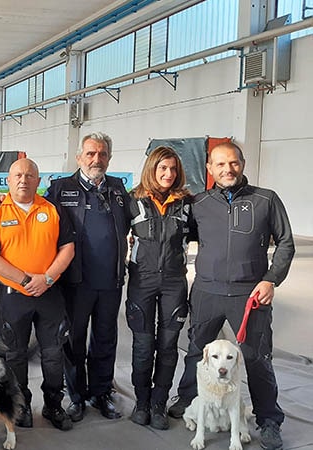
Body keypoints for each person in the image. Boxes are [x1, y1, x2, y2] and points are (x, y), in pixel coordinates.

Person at [167, 143, 294, 450]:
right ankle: (189, 398)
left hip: (249, 294)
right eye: (220, 164)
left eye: (233, 163)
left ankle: (268, 421)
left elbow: (287, 243)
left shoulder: (266, 199)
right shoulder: (199, 203)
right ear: (209, 169)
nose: (228, 169)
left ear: (242, 163)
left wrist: (270, 280)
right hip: (207, 291)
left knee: (256, 357)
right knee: (198, 351)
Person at [0, 158, 75, 430]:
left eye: (30, 175)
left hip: (49, 293)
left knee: (53, 354)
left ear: (38, 181)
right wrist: (23, 279)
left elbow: (67, 248)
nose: (23, 180)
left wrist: (46, 278)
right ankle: (21, 405)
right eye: (18, 175)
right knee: (16, 355)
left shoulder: (53, 209)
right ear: (8, 181)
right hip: (13, 295)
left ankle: (54, 405)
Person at [45, 131, 130, 421]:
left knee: (105, 340)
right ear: (79, 157)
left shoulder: (118, 190)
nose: (97, 159)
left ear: (109, 157)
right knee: (74, 341)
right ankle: (76, 396)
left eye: (102, 154)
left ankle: (101, 393)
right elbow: (33, 211)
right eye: (91, 154)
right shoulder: (60, 189)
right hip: (75, 282)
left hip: (110, 282)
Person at [126, 146, 192, 430]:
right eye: (162, 168)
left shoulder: (188, 203)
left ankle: (158, 403)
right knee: (143, 346)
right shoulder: (132, 201)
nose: (168, 174)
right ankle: (141, 402)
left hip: (174, 283)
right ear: (152, 169)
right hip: (142, 282)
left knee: (167, 347)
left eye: (173, 169)